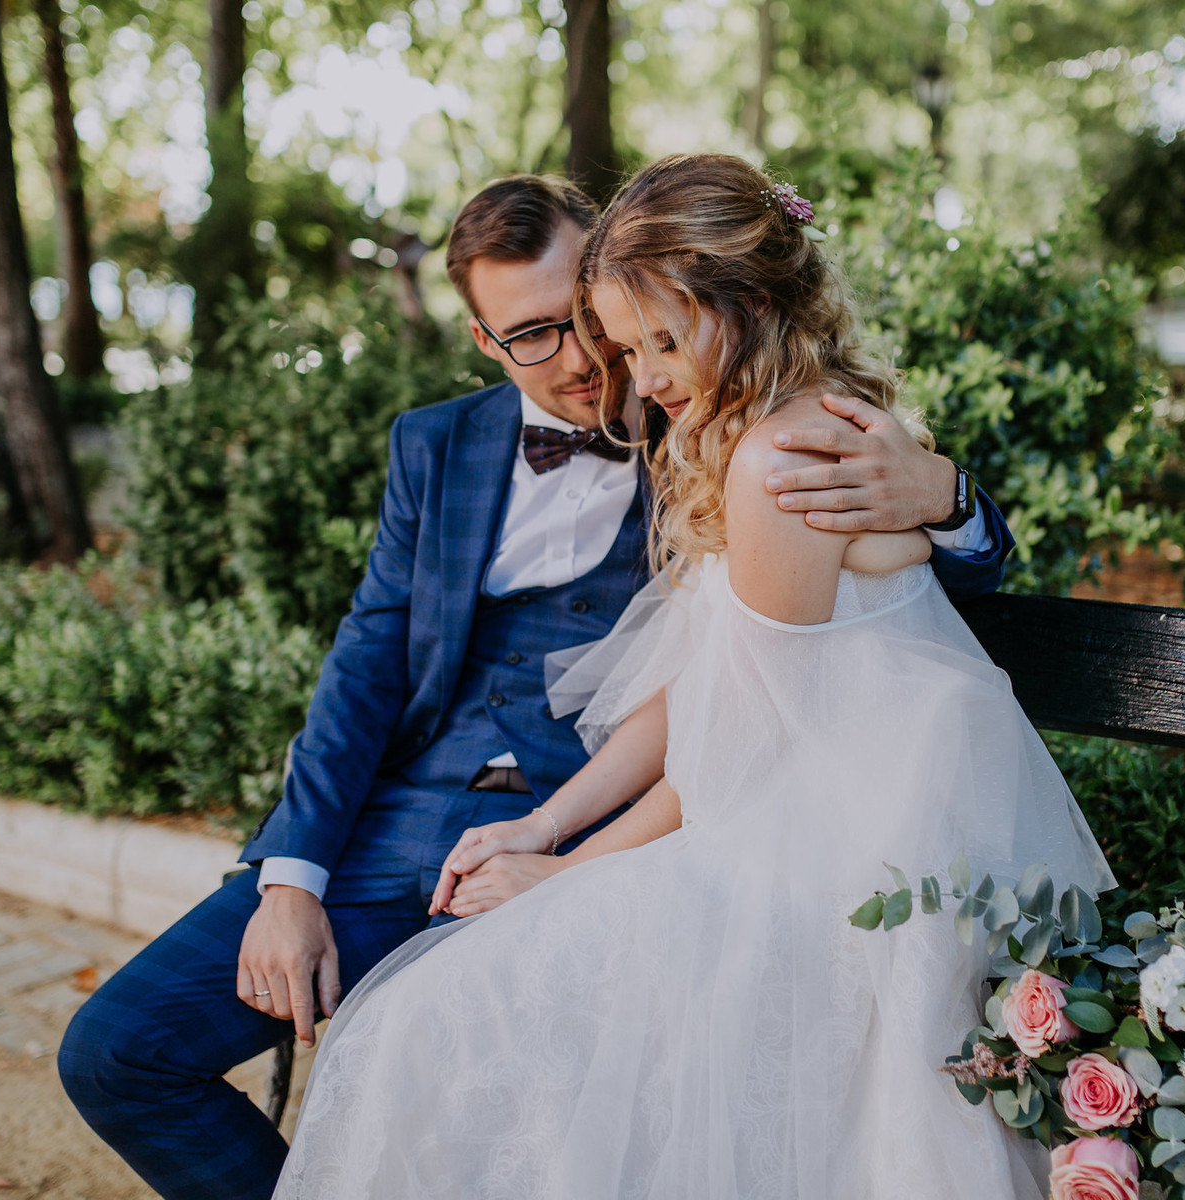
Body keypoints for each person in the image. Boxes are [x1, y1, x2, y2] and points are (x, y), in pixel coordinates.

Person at [57, 173, 1013, 1200]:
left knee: (422, 1065)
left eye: (586, 325)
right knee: (117, 1053)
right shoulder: (436, 448)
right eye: (532, 337)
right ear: (483, 341)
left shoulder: (709, 408)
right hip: (411, 828)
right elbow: (365, 670)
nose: (587, 364)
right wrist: (293, 877)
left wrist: (948, 496)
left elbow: (862, 611)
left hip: (625, 835)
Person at [273, 155, 1114, 1199]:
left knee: (439, 1020)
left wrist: (564, 874)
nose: (643, 376)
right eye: (627, 346)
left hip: (840, 845)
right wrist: (542, 830)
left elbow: (745, 748)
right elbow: (708, 685)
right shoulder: (762, 420)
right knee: (446, 1016)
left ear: (749, 304)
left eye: (663, 342)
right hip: (802, 796)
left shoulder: (781, 460)